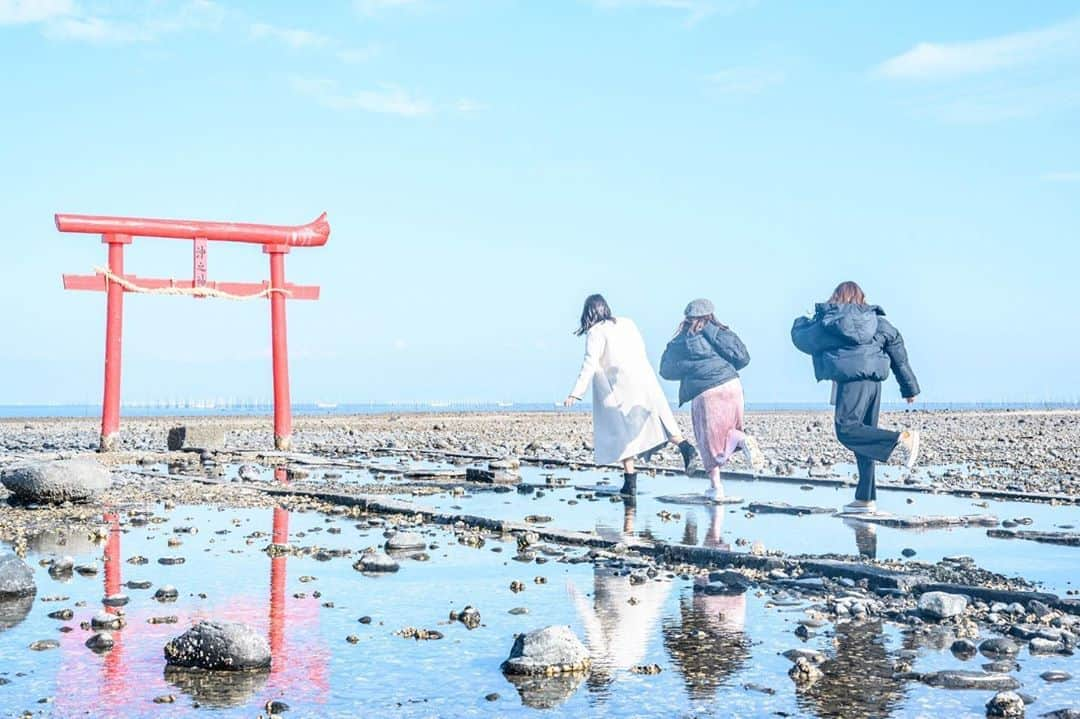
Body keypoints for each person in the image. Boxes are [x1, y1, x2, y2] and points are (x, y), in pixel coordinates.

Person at [791, 281, 921, 514]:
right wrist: (909, 387)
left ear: (836, 297)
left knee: (847, 429)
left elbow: (802, 339)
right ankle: (865, 498)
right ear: (862, 298)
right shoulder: (879, 323)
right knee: (866, 439)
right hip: (874, 384)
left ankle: (902, 438)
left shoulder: (830, 322)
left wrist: (805, 317)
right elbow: (899, 354)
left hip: (851, 381)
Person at [565, 294, 697, 498]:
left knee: (620, 431)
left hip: (618, 385)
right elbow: (640, 349)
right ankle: (685, 446)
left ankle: (630, 482)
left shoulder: (595, 331)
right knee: (658, 417)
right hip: (644, 377)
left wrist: (576, 393)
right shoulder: (628, 323)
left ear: (589, 313)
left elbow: (590, 362)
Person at [659, 299, 764, 501]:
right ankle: (743, 439)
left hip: (705, 391)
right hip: (732, 384)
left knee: (708, 441)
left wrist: (689, 370)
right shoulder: (722, 332)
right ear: (711, 314)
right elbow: (743, 357)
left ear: (687, 317)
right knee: (731, 431)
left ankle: (716, 488)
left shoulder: (680, 340)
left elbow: (666, 370)